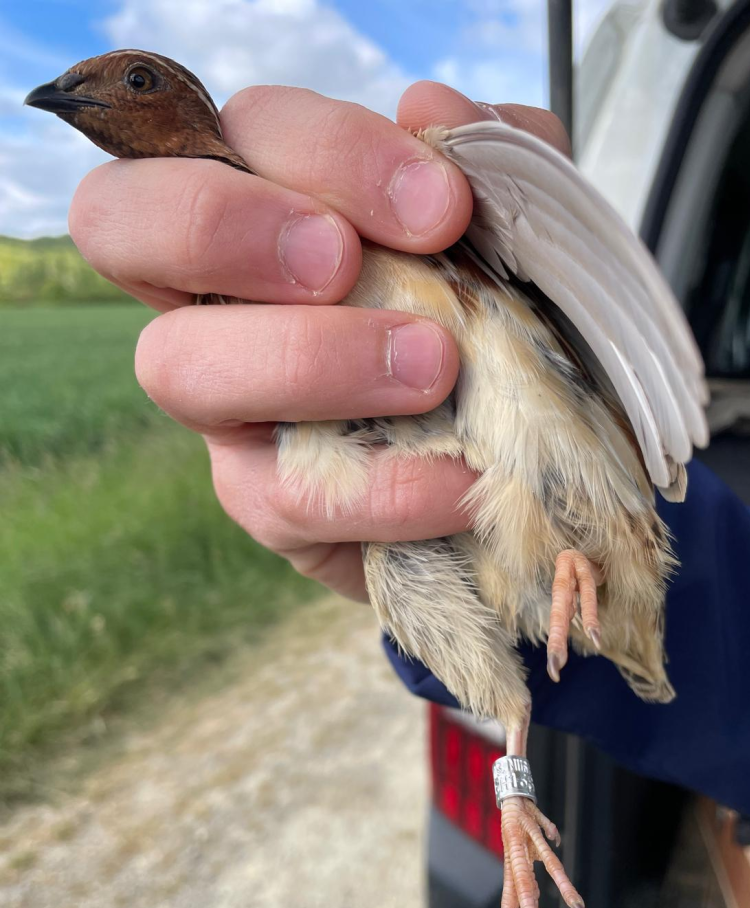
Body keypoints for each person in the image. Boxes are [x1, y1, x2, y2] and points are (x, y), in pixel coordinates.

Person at [69, 80, 750, 817]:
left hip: (595, 534)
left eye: (136, 81)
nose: (86, 93)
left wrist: (459, 188)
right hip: (595, 595)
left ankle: (574, 547)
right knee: (404, 567)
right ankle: (515, 796)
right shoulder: (250, 279)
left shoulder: (418, 219)